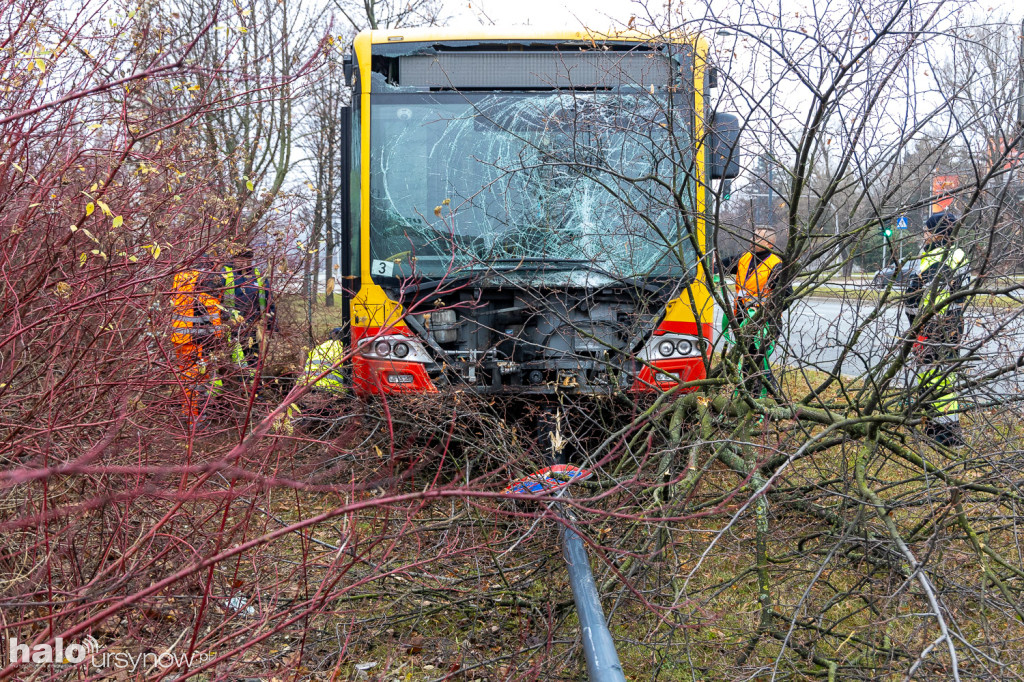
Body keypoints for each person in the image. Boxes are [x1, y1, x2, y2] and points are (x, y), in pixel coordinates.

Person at [905, 212, 971, 447]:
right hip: (952, 325)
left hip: (932, 326)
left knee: (933, 377)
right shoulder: (959, 254)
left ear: (936, 232)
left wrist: (914, 327)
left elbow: (913, 297)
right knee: (944, 378)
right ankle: (940, 430)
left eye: (927, 229)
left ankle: (942, 435)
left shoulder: (933, 257)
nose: (924, 233)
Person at [719, 226, 792, 397]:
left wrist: (765, 312)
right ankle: (759, 393)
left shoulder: (776, 265)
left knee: (756, 359)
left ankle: (757, 396)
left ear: (769, 243)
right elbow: (719, 267)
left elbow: (787, 298)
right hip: (742, 319)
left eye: (756, 238)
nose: (751, 241)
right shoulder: (743, 259)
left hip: (764, 323)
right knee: (749, 358)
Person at [170, 257, 226, 425]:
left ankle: (188, 416)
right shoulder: (209, 279)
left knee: (186, 379)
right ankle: (195, 422)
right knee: (197, 382)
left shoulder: (182, 276)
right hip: (199, 338)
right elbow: (211, 310)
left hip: (180, 336)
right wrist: (218, 334)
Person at [221, 248, 274, 378]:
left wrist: (270, 325)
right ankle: (239, 389)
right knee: (236, 363)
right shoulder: (224, 274)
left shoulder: (258, 276)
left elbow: (268, 301)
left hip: (255, 327)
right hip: (232, 328)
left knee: (255, 361)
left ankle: (255, 391)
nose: (244, 263)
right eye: (240, 259)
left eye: (247, 260)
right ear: (233, 259)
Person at [300, 327, 347, 395]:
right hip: (331, 388)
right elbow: (346, 373)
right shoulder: (342, 348)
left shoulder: (319, 347)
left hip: (305, 385)